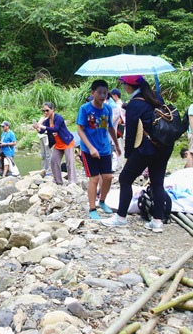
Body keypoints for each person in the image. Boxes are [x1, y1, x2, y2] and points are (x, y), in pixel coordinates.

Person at [102, 75, 173, 233]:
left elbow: (131, 134)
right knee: (157, 182)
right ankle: (157, 222)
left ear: (129, 86)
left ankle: (120, 217)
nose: (123, 87)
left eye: (123, 84)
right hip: (164, 146)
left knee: (125, 179)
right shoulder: (155, 96)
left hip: (146, 148)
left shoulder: (135, 103)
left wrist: (128, 156)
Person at [76, 80, 121, 220]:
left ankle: (102, 202)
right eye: (99, 92)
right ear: (92, 93)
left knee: (108, 177)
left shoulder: (107, 109)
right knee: (94, 178)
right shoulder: (85, 109)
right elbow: (80, 130)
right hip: (89, 150)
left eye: (105, 93)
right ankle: (92, 208)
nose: (102, 95)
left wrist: (117, 145)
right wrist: (90, 147)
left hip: (105, 149)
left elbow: (111, 128)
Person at [33, 102, 76, 185]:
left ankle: (72, 182)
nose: (45, 112)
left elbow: (55, 128)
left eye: (47, 110)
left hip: (67, 142)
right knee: (54, 161)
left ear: (52, 109)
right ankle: (58, 181)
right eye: (43, 111)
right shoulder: (47, 120)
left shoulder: (58, 118)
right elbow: (42, 131)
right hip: (58, 144)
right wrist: (37, 127)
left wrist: (40, 125)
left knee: (69, 162)